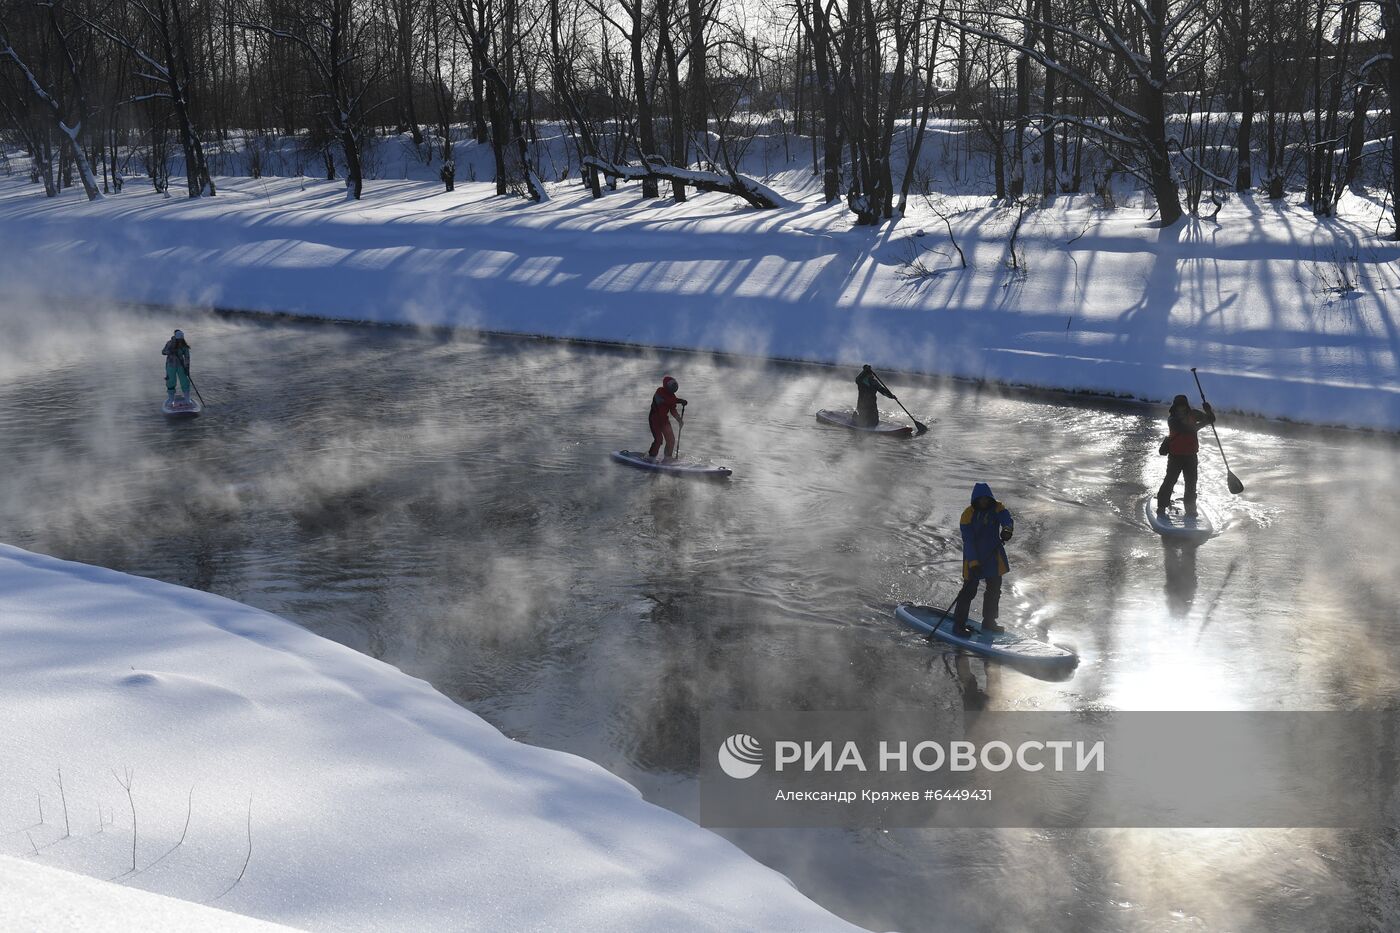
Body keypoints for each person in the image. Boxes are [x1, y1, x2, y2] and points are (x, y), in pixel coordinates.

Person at [951, 482, 1014, 637]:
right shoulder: (968, 515)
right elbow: (969, 541)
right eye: (981, 499)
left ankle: (989, 622)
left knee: (994, 590)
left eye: (986, 499)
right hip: (974, 557)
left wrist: (1007, 530)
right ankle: (958, 625)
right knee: (968, 592)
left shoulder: (997, 508)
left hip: (993, 556)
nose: (984, 501)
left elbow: (1007, 520)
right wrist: (973, 563)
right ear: (976, 500)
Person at [1156, 394, 1215, 517]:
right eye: (1178, 406)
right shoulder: (1172, 419)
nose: (1181, 409)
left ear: (1186, 406)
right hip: (1175, 456)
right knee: (1170, 481)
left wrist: (1208, 411)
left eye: (1183, 406)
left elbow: (1211, 419)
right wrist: (1204, 422)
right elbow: (1188, 429)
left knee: (1191, 483)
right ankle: (1161, 506)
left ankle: (1191, 509)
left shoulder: (1193, 414)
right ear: (1175, 407)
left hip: (1191, 456)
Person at [647, 375, 687, 461]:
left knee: (671, 439)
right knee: (659, 440)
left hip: (664, 420)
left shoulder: (672, 396)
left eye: (674, 385)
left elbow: (673, 410)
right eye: (671, 385)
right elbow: (666, 400)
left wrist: (679, 420)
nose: (674, 387)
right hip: (654, 419)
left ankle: (667, 458)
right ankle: (651, 457)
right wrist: (680, 401)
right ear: (666, 385)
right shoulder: (659, 391)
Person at [162, 329, 192, 401]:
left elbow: (187, 357)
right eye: (179, 339)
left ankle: (187, 399)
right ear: (176, 338)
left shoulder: (184, 345)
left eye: (181, 339)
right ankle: (171, 399)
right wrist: (170, 351)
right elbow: (163, 352)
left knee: (184, 380)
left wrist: (187, 368)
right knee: (171, 381)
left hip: (181, 365)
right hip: (170, 365)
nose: (180, 341)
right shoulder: (169, 343)